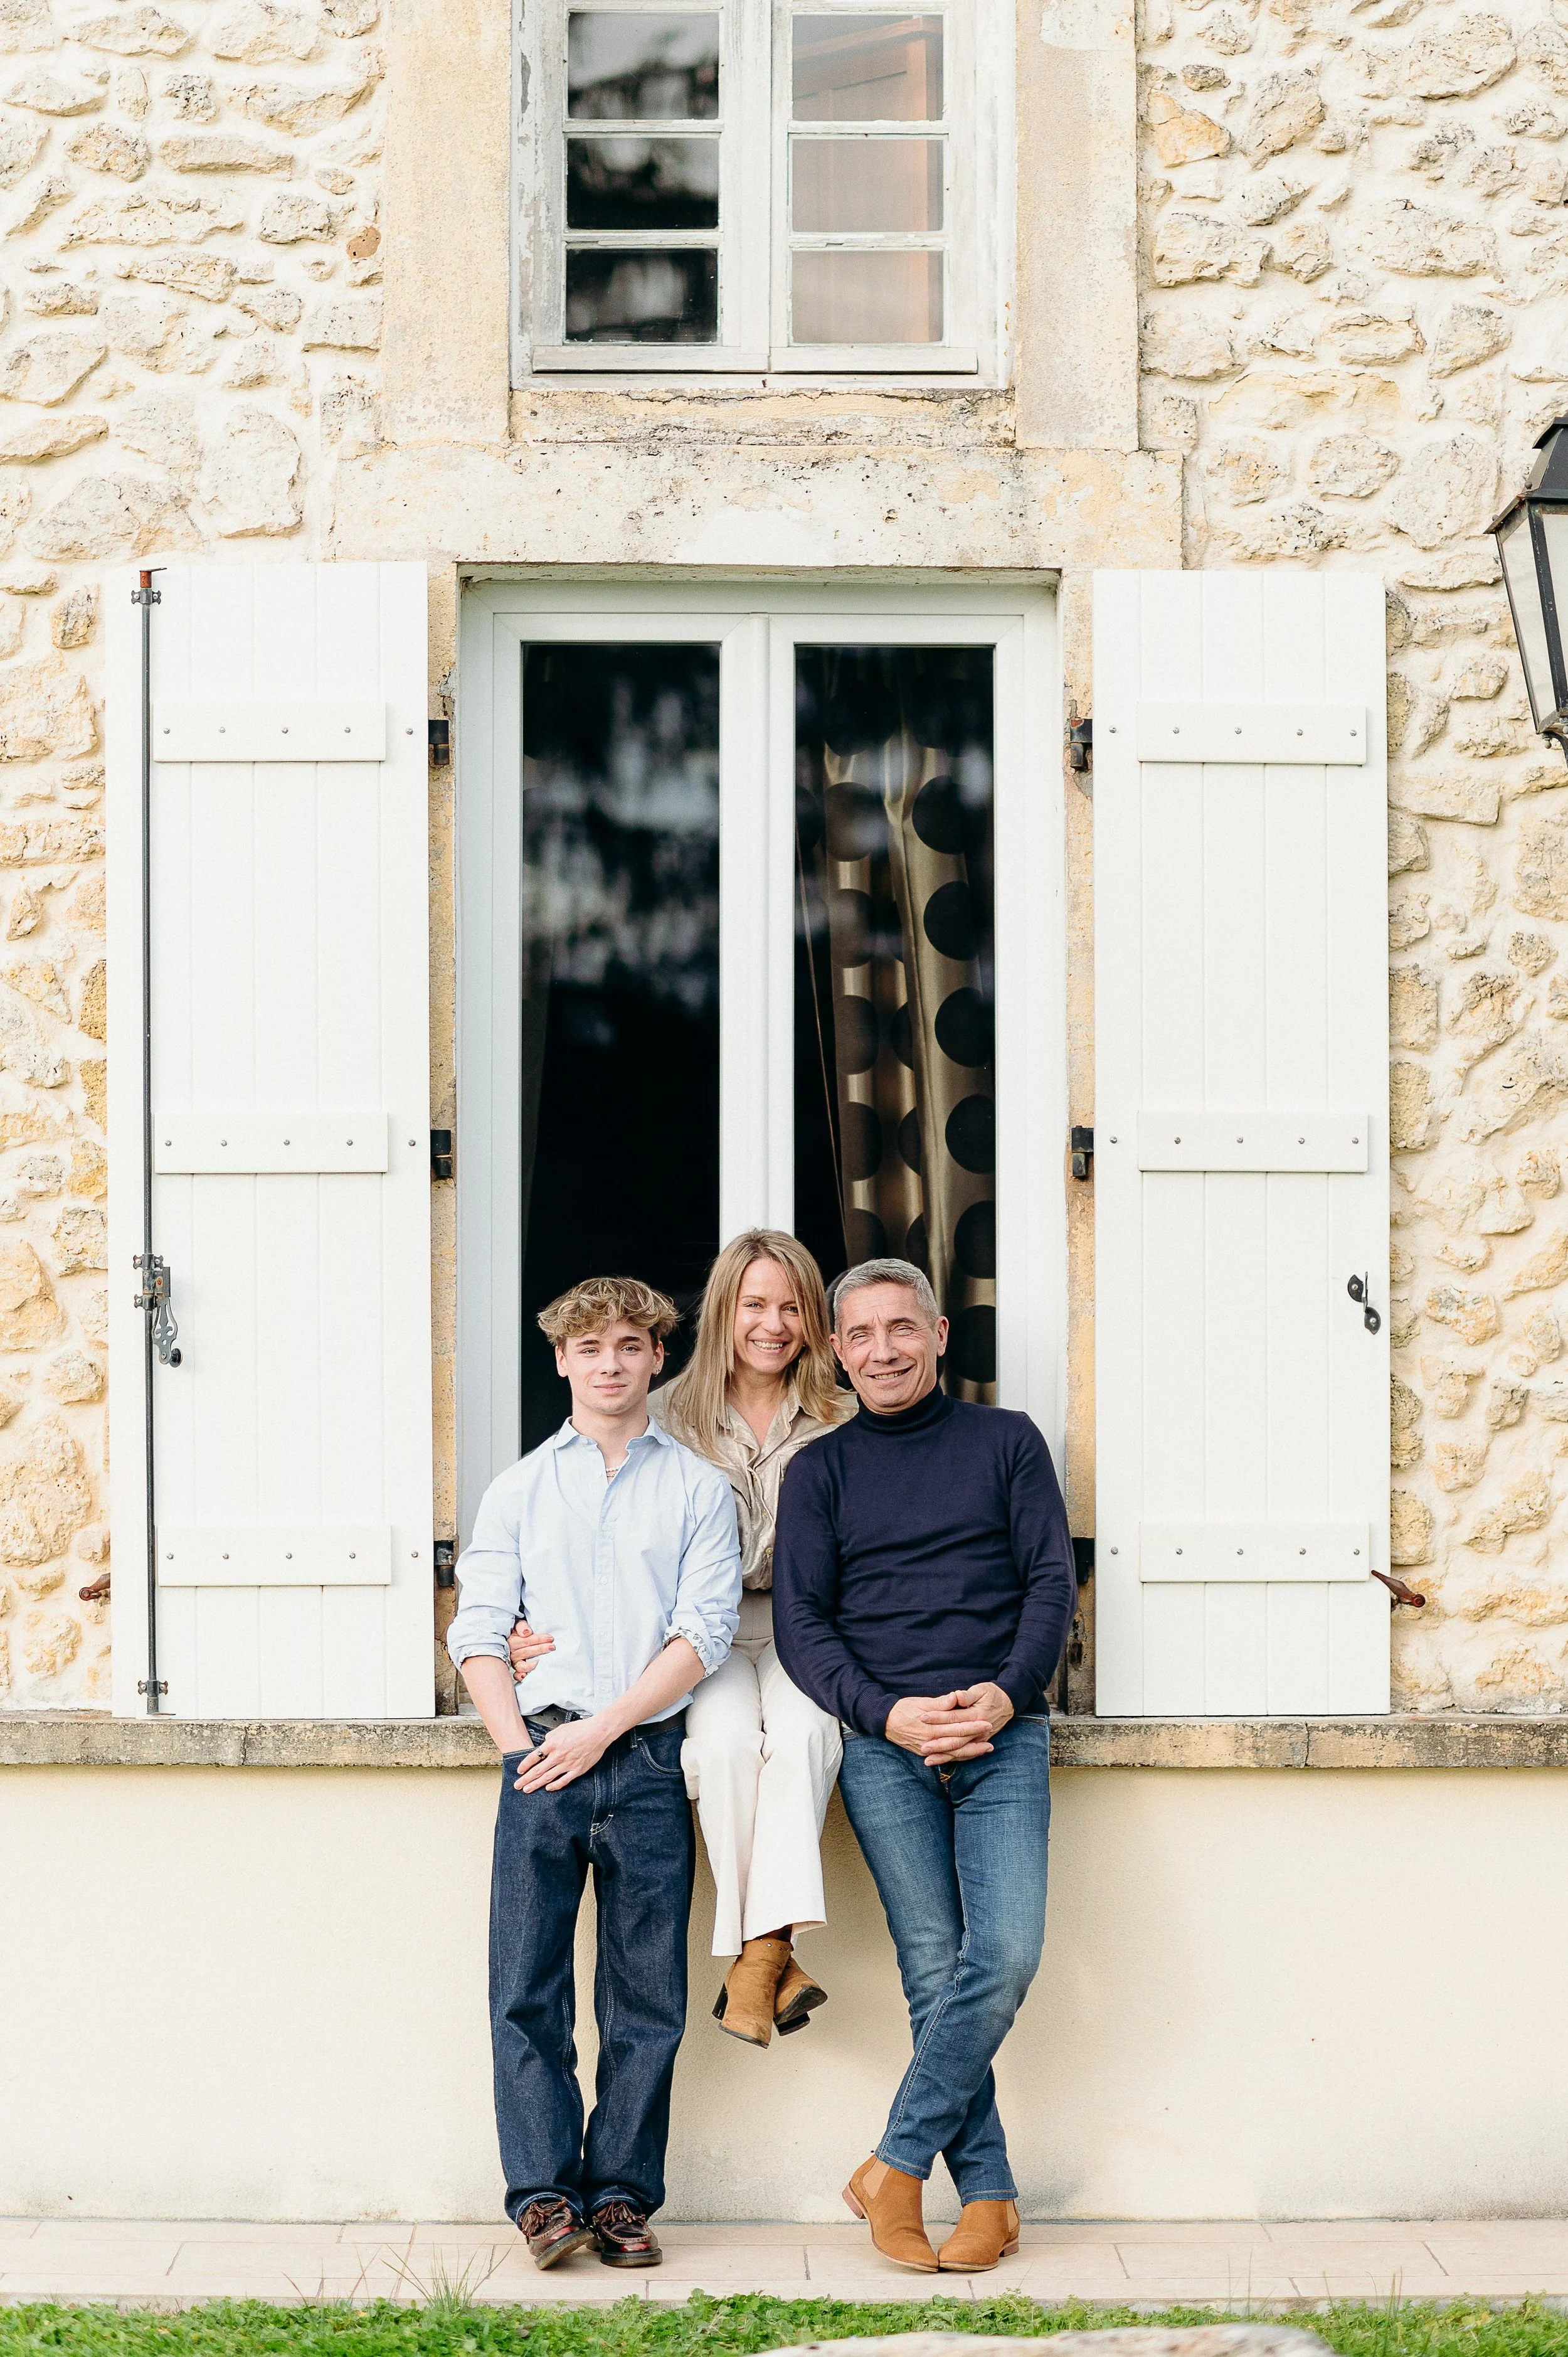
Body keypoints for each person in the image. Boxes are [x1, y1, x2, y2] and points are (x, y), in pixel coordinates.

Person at [772, 1257, 1075, 2277]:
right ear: (837, 1351)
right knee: (934, 1969)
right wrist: (887, 1714)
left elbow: (1049, 1583)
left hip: (1002, 1734)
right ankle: (987, 2195)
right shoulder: (820, 1470)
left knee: (1006, 1956)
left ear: (940, 1336)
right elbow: (801, 1626)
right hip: (884, 1746)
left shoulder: (1007, 1443)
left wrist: (1006, 1693)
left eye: (901, 1329)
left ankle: (894, 2166)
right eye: (859, 1336)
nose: (882, 1351)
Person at [447, 1274, 741, 2274]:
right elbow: (479, 1632)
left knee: (644, 1996)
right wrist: (520, 1748)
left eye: (629, 1345)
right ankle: (541, 2197)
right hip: (541, 1758)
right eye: (590, 1348)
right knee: (524, 1988)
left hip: (648, 1756)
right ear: (561, 1360)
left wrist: (607, 1729)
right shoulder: (521, 1489)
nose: (610, 1363)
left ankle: (619, 2195)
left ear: (659, 1356)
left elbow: (703, 1633)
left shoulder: (699, 1488)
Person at [512, 1228, 852, 2049]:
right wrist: (532, 1628)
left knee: (807, 1736)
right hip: (700, 1636)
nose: (772, 1324)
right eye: (753, 1304)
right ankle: (772, 1956)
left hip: (810, 1627)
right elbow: (578, 1520)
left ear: (813, 1319)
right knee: (722, 1750)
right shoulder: (665, 1419)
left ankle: (754, 1961)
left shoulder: (843, 1420)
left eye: (792, 1307)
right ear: (724, 1311)